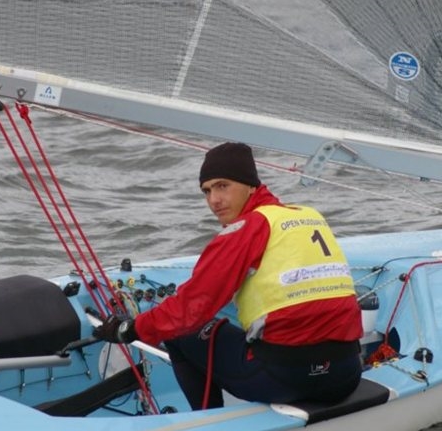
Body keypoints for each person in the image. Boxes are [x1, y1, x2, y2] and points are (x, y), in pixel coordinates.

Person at [94, 142, 363, 410]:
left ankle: (206, 422)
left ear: (251, 186)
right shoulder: (309, 216)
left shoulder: (247, 228)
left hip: (285, 380)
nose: (214, 200)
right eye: (207, 191)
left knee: (181, 335)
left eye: (223, 186)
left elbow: (190, 309)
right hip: (346, 374)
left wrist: (130, 329)